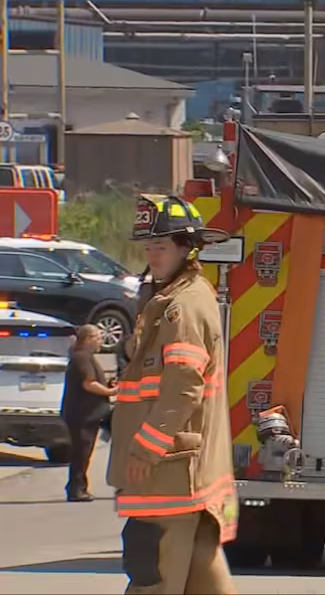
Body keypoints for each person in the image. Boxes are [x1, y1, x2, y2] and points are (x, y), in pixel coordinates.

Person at [107, 194, 238, 595]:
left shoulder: (182, 306)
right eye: (148, 246)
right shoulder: (174, 299)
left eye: (161, 246)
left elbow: (184, 385)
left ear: (187, 248)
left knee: (152, 575)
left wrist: (146, 448)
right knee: (202, 577)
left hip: (167, 472)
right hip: (182, 474)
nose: (153, 254)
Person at [60, 324, 116, 502]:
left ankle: (78, 486)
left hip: (89, 414)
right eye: (98, 337)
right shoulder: (81, 358)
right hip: (81, 415)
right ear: (88, 339)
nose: (100, 341)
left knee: (84, 452)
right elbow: (88, 383)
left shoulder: (87, 357)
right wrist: (111, 392)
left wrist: (108, 386)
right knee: (81, 452)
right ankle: (77, 489)